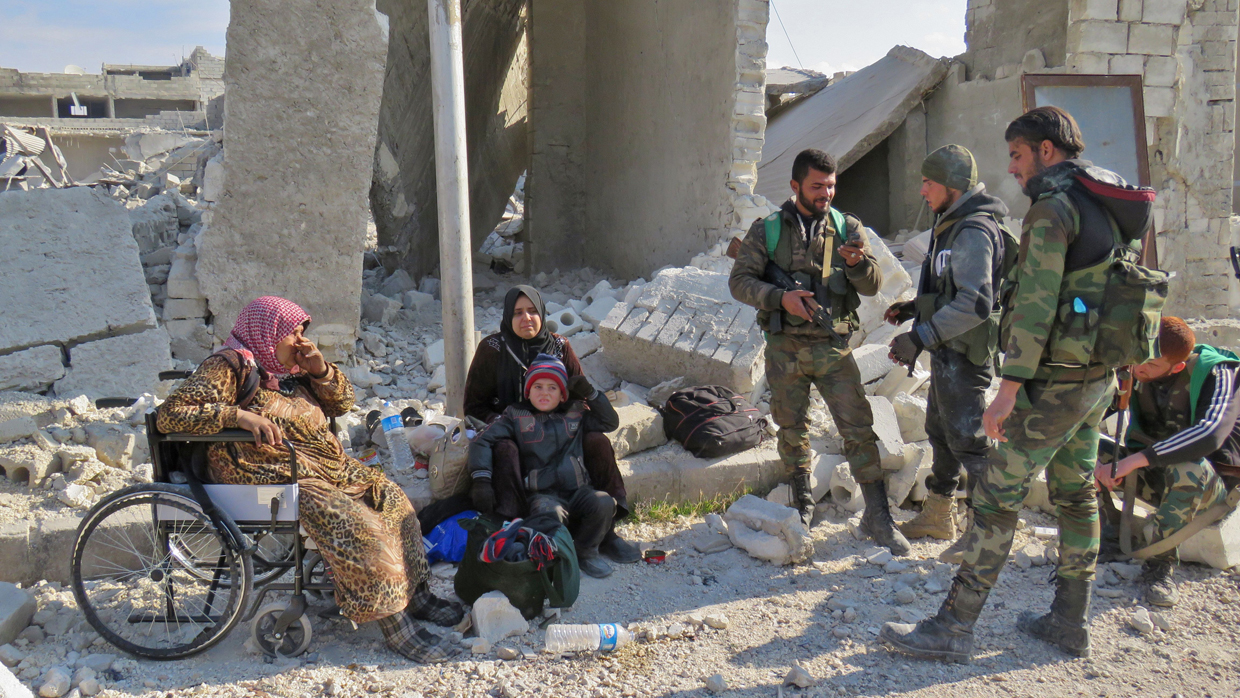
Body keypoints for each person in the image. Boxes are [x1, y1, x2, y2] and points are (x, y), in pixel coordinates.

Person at [882, 106, 1123, 661]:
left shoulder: (1052, 208)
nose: (1011, 169)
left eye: (1017, 155)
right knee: (1075, 493)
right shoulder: (1105, 196)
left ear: (1045, 150)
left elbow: (1034, 307)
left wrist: (1009, 389)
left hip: (1055, 381)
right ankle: (1069, 621)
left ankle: (954, 628)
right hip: (1096, 377)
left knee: (994, 495)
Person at [156, 296, 461, 663]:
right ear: (268, 333)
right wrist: (239, 417)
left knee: (391, 497)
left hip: (318, 466)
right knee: (355, 523)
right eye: (293, 333)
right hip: (264, 471)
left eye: (303, 332)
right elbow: (171, 415)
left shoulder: (288, 371)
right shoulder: (230, 364)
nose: (301, 341)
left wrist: (320, 372)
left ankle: (416, 594)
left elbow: (342, 404)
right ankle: (394, 623)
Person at [729, 147, 909, 554]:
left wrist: (859, 264)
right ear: (795, 186)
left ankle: (878, 516)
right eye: (817, 186)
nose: (826, 193)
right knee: (792, 430)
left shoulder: (848, 228)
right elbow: (740, 282)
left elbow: (873, 285)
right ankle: (802, 505)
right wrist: (780, 298)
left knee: (859, 429)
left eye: (831, 185)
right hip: (784, 348)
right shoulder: (768, 230)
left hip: (833, 347)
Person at [884, 145, 1012, 561]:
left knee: (970, 442)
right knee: (940, 432)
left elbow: (975, 302)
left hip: (965, 354)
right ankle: (939, 515)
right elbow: (947, 288)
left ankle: (986, 535)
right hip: (947, 351)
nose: (922, 191)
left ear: (953, 187)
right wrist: (912, 310)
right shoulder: (950, 223)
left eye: (929, 182)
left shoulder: (973, 229)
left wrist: (919, 337)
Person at [463, 285, 640, 564]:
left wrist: (578, 405)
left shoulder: (559, 346)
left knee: (598, 441)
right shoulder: (493, 348)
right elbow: (473, 406)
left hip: (558, 431)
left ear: (543, 314)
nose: (527, 319)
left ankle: (606, 532)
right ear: (509, 316)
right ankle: (513, 523)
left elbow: (582, 397)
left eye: (533, 311)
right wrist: (510, 423)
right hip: (514, 429)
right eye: (518, 313)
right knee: (505, 447)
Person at [1095, 318, 1237, 607]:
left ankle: (1160, 566)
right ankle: (1107, 533)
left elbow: (1210, 433)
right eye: (1138, 360)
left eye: (1151, 365)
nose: (1138, 369)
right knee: (1079, 449)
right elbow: (1090, 411)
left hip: (1209, 488)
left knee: (1189, 468)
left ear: (1178, 367)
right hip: (1155, 474)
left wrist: (1136, 460)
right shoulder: (1133, 367)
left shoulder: (1218, 373)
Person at [468, 354, 621, 578]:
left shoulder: (576, 413)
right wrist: (481, 479)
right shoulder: (516, 416)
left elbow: (610, 422)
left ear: (562, 396)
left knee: (604, 503)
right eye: (537, 387)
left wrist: (591, 394)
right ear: (528, 392)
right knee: (550, 515)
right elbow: (482, 440)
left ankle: (587, 551)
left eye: (552, 388)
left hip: (578, 490)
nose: (544, 393)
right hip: (543, 494)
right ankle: (554, 557)